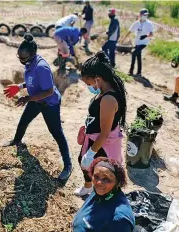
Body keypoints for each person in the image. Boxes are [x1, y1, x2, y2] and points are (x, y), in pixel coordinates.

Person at [2, 34, 72, 181]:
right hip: (36, 99)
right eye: (19, 57)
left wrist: (27, 98)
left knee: (56, 132)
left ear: (33, 54)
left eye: (24, 58)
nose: (21, 60)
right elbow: (33, 81)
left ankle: (68, 165)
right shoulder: (29, 63)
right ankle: (17, 141)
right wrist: (19, 86)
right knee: (24, 120)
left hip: (49, 104)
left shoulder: (41, 67)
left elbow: (49, 90)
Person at [74, 51, 127, 196]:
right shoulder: (104, 91)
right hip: (92, 137)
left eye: (88, 83)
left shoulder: (109, 99)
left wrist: (90, 153)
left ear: (97, 79)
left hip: (102, 143)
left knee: (100, 172)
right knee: (83, 162)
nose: (88, 86)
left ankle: (102, 197)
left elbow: (104, 132)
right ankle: (87, 187)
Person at [72, 157, 135, 232]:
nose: (98, 183)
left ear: (118, 183)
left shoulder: (119, 220)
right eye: (96, 177)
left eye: (106, 179)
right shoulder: (100, 192)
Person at [121, 8, 154, 77]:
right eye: (144, 15)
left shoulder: (149, 24)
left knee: (134, 53)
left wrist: (145, 36)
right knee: (138, 57)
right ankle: (139, 72)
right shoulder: (136, 23)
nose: (146, 16)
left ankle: (130, 71)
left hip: (144, 43)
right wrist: (123, 39)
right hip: (137, 42)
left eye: (147, 15)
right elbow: (130, 31)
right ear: (140, 15)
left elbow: (151, 34)